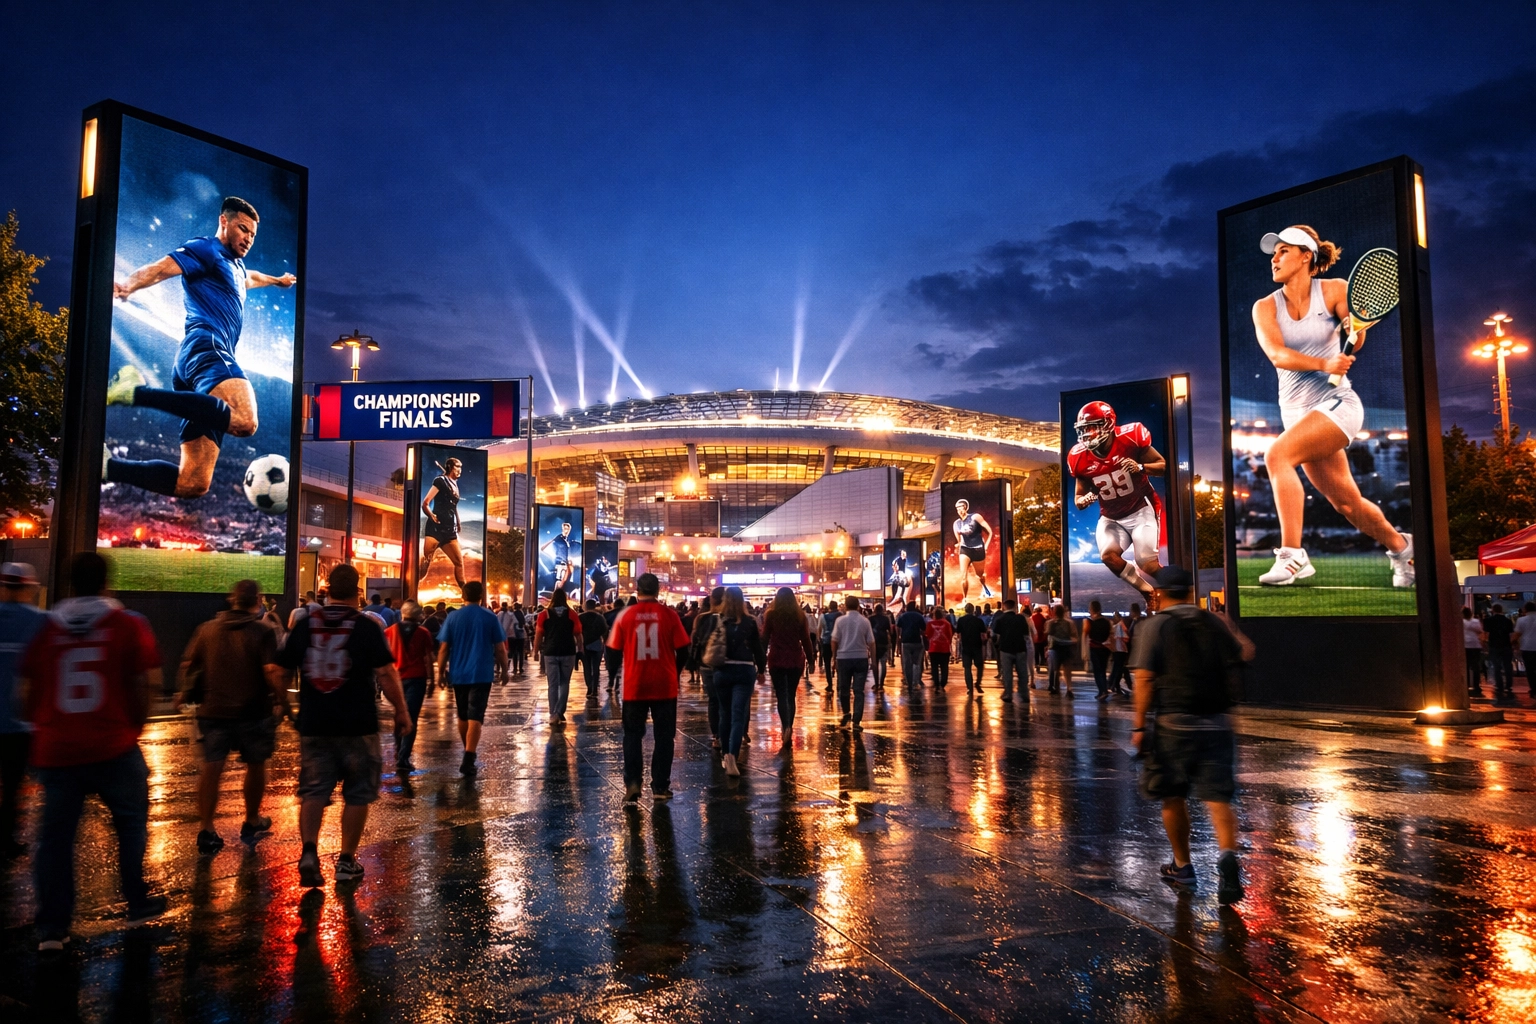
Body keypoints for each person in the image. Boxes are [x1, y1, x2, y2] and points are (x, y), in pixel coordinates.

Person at [1250, 225, 1413, 588]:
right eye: (1273, 253)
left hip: (1337, 404)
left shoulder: (1336, 290)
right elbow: (1277, 354)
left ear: (1306, 255)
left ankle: (1293, 557)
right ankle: (1404, 551)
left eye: (1283, 251)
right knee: (1348, 505)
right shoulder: (1264, 307)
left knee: (1276, 456)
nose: (1274, 259)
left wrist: (1354, 327)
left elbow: (1354, 331)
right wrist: (1325, 364)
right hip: (1297, 415)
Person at [104, 196, 296, 499]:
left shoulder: (236, 267)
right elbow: (160, 268)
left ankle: (110, 468)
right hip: (206, 346)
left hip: (195, 364)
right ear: (224, 222)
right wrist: (128, 285)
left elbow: (253, 278)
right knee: (245, 420)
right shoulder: (207, 249)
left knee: (193, 482)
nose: (248, 238)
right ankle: (134, 390)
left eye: (253, 235)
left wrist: (278, 280)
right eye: (243, 229)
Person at [21, 552, 167, 951]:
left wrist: (46, 725)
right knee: (131, 824)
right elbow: (147, 684)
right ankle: (135, 900)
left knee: (55, 840)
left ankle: (52, 926)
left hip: (58, 748)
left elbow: (24, 693)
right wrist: (134, 727)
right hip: (113, 744)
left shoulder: (46, 629)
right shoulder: (126, 624)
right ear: (107, 582)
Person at [277, 563, 410, 888]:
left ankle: (309, 851)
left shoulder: (306, 624)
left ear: (328, 590)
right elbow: (386, 673)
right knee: (357, 793)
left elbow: (278, 671)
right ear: (357, 591)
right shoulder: (365, 626)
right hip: (357, 723)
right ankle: (346, 860)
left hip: (315, 721)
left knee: (313, 789)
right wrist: (401, 712)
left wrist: (286, 706)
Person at [1130, 565, 1251, 904]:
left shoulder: (1155, 625)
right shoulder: (1212, 622)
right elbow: (1243, 653)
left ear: (1161, 593)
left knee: (1173, 795)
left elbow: (1143, 679)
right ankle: (1227, 856)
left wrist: (1139, 725)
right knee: (1219, 798)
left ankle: (1183, 866)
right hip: (1217, 721)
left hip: (1174, 723)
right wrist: (1229, 627)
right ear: (1189, 590)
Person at [178, 579, 287, 854]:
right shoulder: (262, 631)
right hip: (253, 711)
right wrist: (283, 703)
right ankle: (251, 819)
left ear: (232, 599)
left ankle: (207, 829)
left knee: (212, 767)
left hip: (213, 710)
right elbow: (271, 671)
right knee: (256, 764)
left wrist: (183, 693)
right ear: (257, 601)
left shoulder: (207, 630)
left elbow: (188, 665)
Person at [1068, 401, 1167, 598]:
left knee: (1147, 564)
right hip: (1111, 517)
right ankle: (1148, 592)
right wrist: (1082, 501)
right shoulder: (1077, 457)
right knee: (1108, 556)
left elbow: (1162, 465)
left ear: (1108, 424)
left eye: (1092, 427)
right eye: (1083, 429)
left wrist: (1140, 467)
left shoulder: (1131, 437)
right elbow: (1078, 498)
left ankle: (1177, 588)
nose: (1087, 433)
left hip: (1140, 508)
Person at [607, 574, 692, 803]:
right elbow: (684, 648)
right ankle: (660, 787)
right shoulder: (669, 615)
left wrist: (612, 677)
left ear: (637, 591)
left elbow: (613, 650)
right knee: (664, 737)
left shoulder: (626, 616)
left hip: (635, 684)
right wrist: (675, 670)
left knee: (632, 736)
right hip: (664, 684)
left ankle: (633, 783)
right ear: (658, 590)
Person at [438, 582, 510, 770]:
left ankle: (468, 751)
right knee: (476, 715)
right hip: (481, 672)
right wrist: (504, 670)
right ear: (481, 596)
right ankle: (469, 756)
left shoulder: (453, 617)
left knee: (463, 715)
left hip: (458, 673)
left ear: (463, 595)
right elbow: (500, 648)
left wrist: (440, 673)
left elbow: (444, 648)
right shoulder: (489, 617)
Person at [0, 563, 45, 859]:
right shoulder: (41, 622)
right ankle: (6, 839)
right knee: (13, 784)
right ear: (28, 588)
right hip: (19, 724)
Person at [712, 587, 766, 776]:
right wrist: (761, 669)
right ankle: (733, 755)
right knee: (738, 715)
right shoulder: (750, 622)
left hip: (722, 670)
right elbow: (758, 649)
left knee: (724, 713)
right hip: (744, 670)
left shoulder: (718, 619)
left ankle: (725, 753)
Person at [385, 601, 435, 774]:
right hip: (416, 678)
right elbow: (428, 657)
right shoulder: (423, 632)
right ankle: (403, 757)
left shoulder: (389, 632)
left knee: (398, 713)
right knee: (411, 716)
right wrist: (432, 680)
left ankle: (399, 749)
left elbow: (383, 660)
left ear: (402, 613)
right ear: (419, 615)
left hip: (394, 679)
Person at [762, 587, 817, 745]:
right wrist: (811, 660)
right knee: (791, 695)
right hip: (795, 658)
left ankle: (784, 725)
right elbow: (806, 639)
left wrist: (759, 662)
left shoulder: (771, 615)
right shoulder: (799, 616)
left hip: (776, 658)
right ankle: (789, 726)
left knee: (781, 695)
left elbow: (765, 638)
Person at [533, 589, 582, 727]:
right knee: (565, 683)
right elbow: (578, 634)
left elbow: (538, 635)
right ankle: (560, 711)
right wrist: (581, 650)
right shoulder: (572, 614)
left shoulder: (544, 614)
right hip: (568, 651)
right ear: (566, 598)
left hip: (550, 652)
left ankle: (553, 714)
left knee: (552, 685)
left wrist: (535, 651)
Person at [830, 596, 876, 731]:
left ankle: (846, 714)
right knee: (858, 690)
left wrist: (834, 658)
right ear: (857, 606)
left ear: (845, 605)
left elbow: (834, 640)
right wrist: (873, 661)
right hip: (861, 658)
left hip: (844, 658)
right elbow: (871, 643)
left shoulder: (840, 621)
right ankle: (856, 721)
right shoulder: (865, 621)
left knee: (843, 689)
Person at [691, 588, 726, 750]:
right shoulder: (730, 618)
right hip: (726, 664)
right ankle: (729, 733)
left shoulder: (701, 618)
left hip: (706, 664)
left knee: (713, 701)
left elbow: (694, 639)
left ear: (712, 600)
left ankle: (717, 736)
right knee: (726, 701)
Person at [951, 498, 996, 601]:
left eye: (961, 508)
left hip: (978, 549)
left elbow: (989, 531)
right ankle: (965, 598)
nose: (959, 511)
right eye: (957, 509)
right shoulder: (956, 524)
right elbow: (959, 540)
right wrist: (957, 546)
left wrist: (986, 546)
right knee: (963, 576)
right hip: (965, 549)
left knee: (980, 575)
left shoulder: (975, 517)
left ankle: (984, 588)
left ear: (966, 508)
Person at [992, 599, 1034, 703]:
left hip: (1005, 649)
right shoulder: (1020, 619)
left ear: (1004, 606)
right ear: (1015, 607)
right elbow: (1026, 635)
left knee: (1007, 673)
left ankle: (1008, 693)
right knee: (1022, 672)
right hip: (1020, 648)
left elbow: (995, 635)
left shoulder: (1000, 619)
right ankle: (1024, 694)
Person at [1484, 603, 1516, 704]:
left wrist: (1486, 645)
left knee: (1496, 667)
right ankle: (1509, 686)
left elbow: (1486, 634)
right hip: (1506, 646)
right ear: (1501, 610)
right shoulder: (1507, 621)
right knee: (1507, 666)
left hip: (1494, 646)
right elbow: (1511, 634)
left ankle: (1499, 685)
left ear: (1492, 610)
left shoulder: (1488, 621)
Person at [955, 603, 989, 695]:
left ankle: (970, 688)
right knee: (980, 666)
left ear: (965, 610)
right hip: (977, 646)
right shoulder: (979, 620)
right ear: (973, 610)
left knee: (967, 668)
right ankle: (978, 683)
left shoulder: (961, 620)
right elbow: (984, 635)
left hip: (966, 647)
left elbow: (958, 634)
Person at [540, 518, 577, 598]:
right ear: (563, 529)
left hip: (565, 562)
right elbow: (545, 546)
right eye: (565, 528)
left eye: (568, 529)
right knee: (560, 580)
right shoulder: (559, 537)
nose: (567, 530)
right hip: (560, 562)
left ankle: (557, 595)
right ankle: (556, 596)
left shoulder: (567, 540)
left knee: (563, 580)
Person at [579, 599, 610, 693]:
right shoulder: (600, 617)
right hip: (597, 644)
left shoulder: (580, 617)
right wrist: (604, 640)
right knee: (596, 667)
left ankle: (589, 687)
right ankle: (595, 688)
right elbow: (605, 630)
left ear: (586, 606)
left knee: (587, 667)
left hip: (584, 645)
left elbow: (576, 631)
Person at [1047, 604, 1077, 696]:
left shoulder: (1050, 623)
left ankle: (1056, 687)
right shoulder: (1069, 623)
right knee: (1067, 668)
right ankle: (1069, 688)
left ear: (1054, 612)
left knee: (1055, 668)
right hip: (1066, 647)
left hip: (1055, 647)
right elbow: (1074, 635)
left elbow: (1048, 634)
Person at [896, 599, 927, 689]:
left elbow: (898, 627)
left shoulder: (902, 616)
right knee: (916, 663)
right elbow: (924, 629)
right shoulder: (919, 616)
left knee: (907, 663)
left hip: (905, 641)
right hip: (917, 641)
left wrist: (899, 637)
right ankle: (915, 682)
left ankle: (908, 682)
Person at [1085, 600, 1113, 700]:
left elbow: (1086, 635)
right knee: (1103, 670)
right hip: (1105, 649)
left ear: (1092, 609)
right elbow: (1111, 633)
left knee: (1097, 671)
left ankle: (1102, 691)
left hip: (1094, 648)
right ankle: (1103, 690)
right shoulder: (1107, 621)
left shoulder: (1089, 621)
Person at [925, 606, 953, 689]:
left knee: (934, 667)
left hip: (933, 649)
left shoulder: (930, 623)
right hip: (945, 649)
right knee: (944, 667)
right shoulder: (947, 624)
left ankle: (936, 683)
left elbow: (928, 635)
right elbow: (950, 635)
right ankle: (943, 683)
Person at [1462, 606, 1486, 698]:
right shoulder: (1475, 621)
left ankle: (1466, 685)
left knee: (1466, 666)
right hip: (1475, 645)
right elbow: (1480, 631)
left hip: (1465, 645)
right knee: (1475, 666)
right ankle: (1476, 686)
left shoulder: (1461, 622)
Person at [603, 598, 625, 691]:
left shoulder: (607, 615)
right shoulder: (626, 614)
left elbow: (604, 629)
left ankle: (611, 681)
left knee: (611, 662)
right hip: (624, 641)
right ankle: (617, 683)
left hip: (611, 641)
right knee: (620, 662)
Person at [1107, 612, 1132, 697]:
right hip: (1121, 650)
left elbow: (1123, 637)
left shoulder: (1118, 626)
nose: (1114, 619)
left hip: (1118, 650)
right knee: (1119, 668)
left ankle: (1112, 684)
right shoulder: (1120, 625)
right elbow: (1126, 637)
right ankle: (1114, 684)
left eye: (1115, 617)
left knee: (1117, 668)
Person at [1516, 602, 1536, 701]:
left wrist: (1512, 643)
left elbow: (1517, 634)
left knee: (1530, 670)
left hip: (1527, 647)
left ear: (1525, 610)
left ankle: (1533, 689)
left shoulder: (1521, 620)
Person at [870, 602, 892, 691]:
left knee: (874, 664)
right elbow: (890, 631)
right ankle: (881, 684)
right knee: (883, 664)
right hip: (884, 642)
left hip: (874, 642)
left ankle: (876, 683)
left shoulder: (870, 618)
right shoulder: (886, 618)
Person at [819, 603, 840, 690]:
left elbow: (819, 629)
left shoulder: (823, 617)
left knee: (827, 663)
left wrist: (820, 640)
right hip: (839, 642)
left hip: (827, 642)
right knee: (839, 662)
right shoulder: (841, 616)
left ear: (830, 608)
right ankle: (839, 683)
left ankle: (830, 684)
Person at [509, 602, 528, 675]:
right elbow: (523, 623)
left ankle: (514, 668)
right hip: (521, 635)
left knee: (514, 652)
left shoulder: (512, 614)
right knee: (521, 652)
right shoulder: (521, 613)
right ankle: (520, 668)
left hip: (513, 635)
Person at [1031, 603, 1048, 672]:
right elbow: (1045, 627)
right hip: (1042, 637)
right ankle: (1043, 662)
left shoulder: (1033, 617)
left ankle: (1037, 664)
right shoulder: (1043, 618)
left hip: (1035, 637)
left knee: (1036, 651)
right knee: (1042, 650)